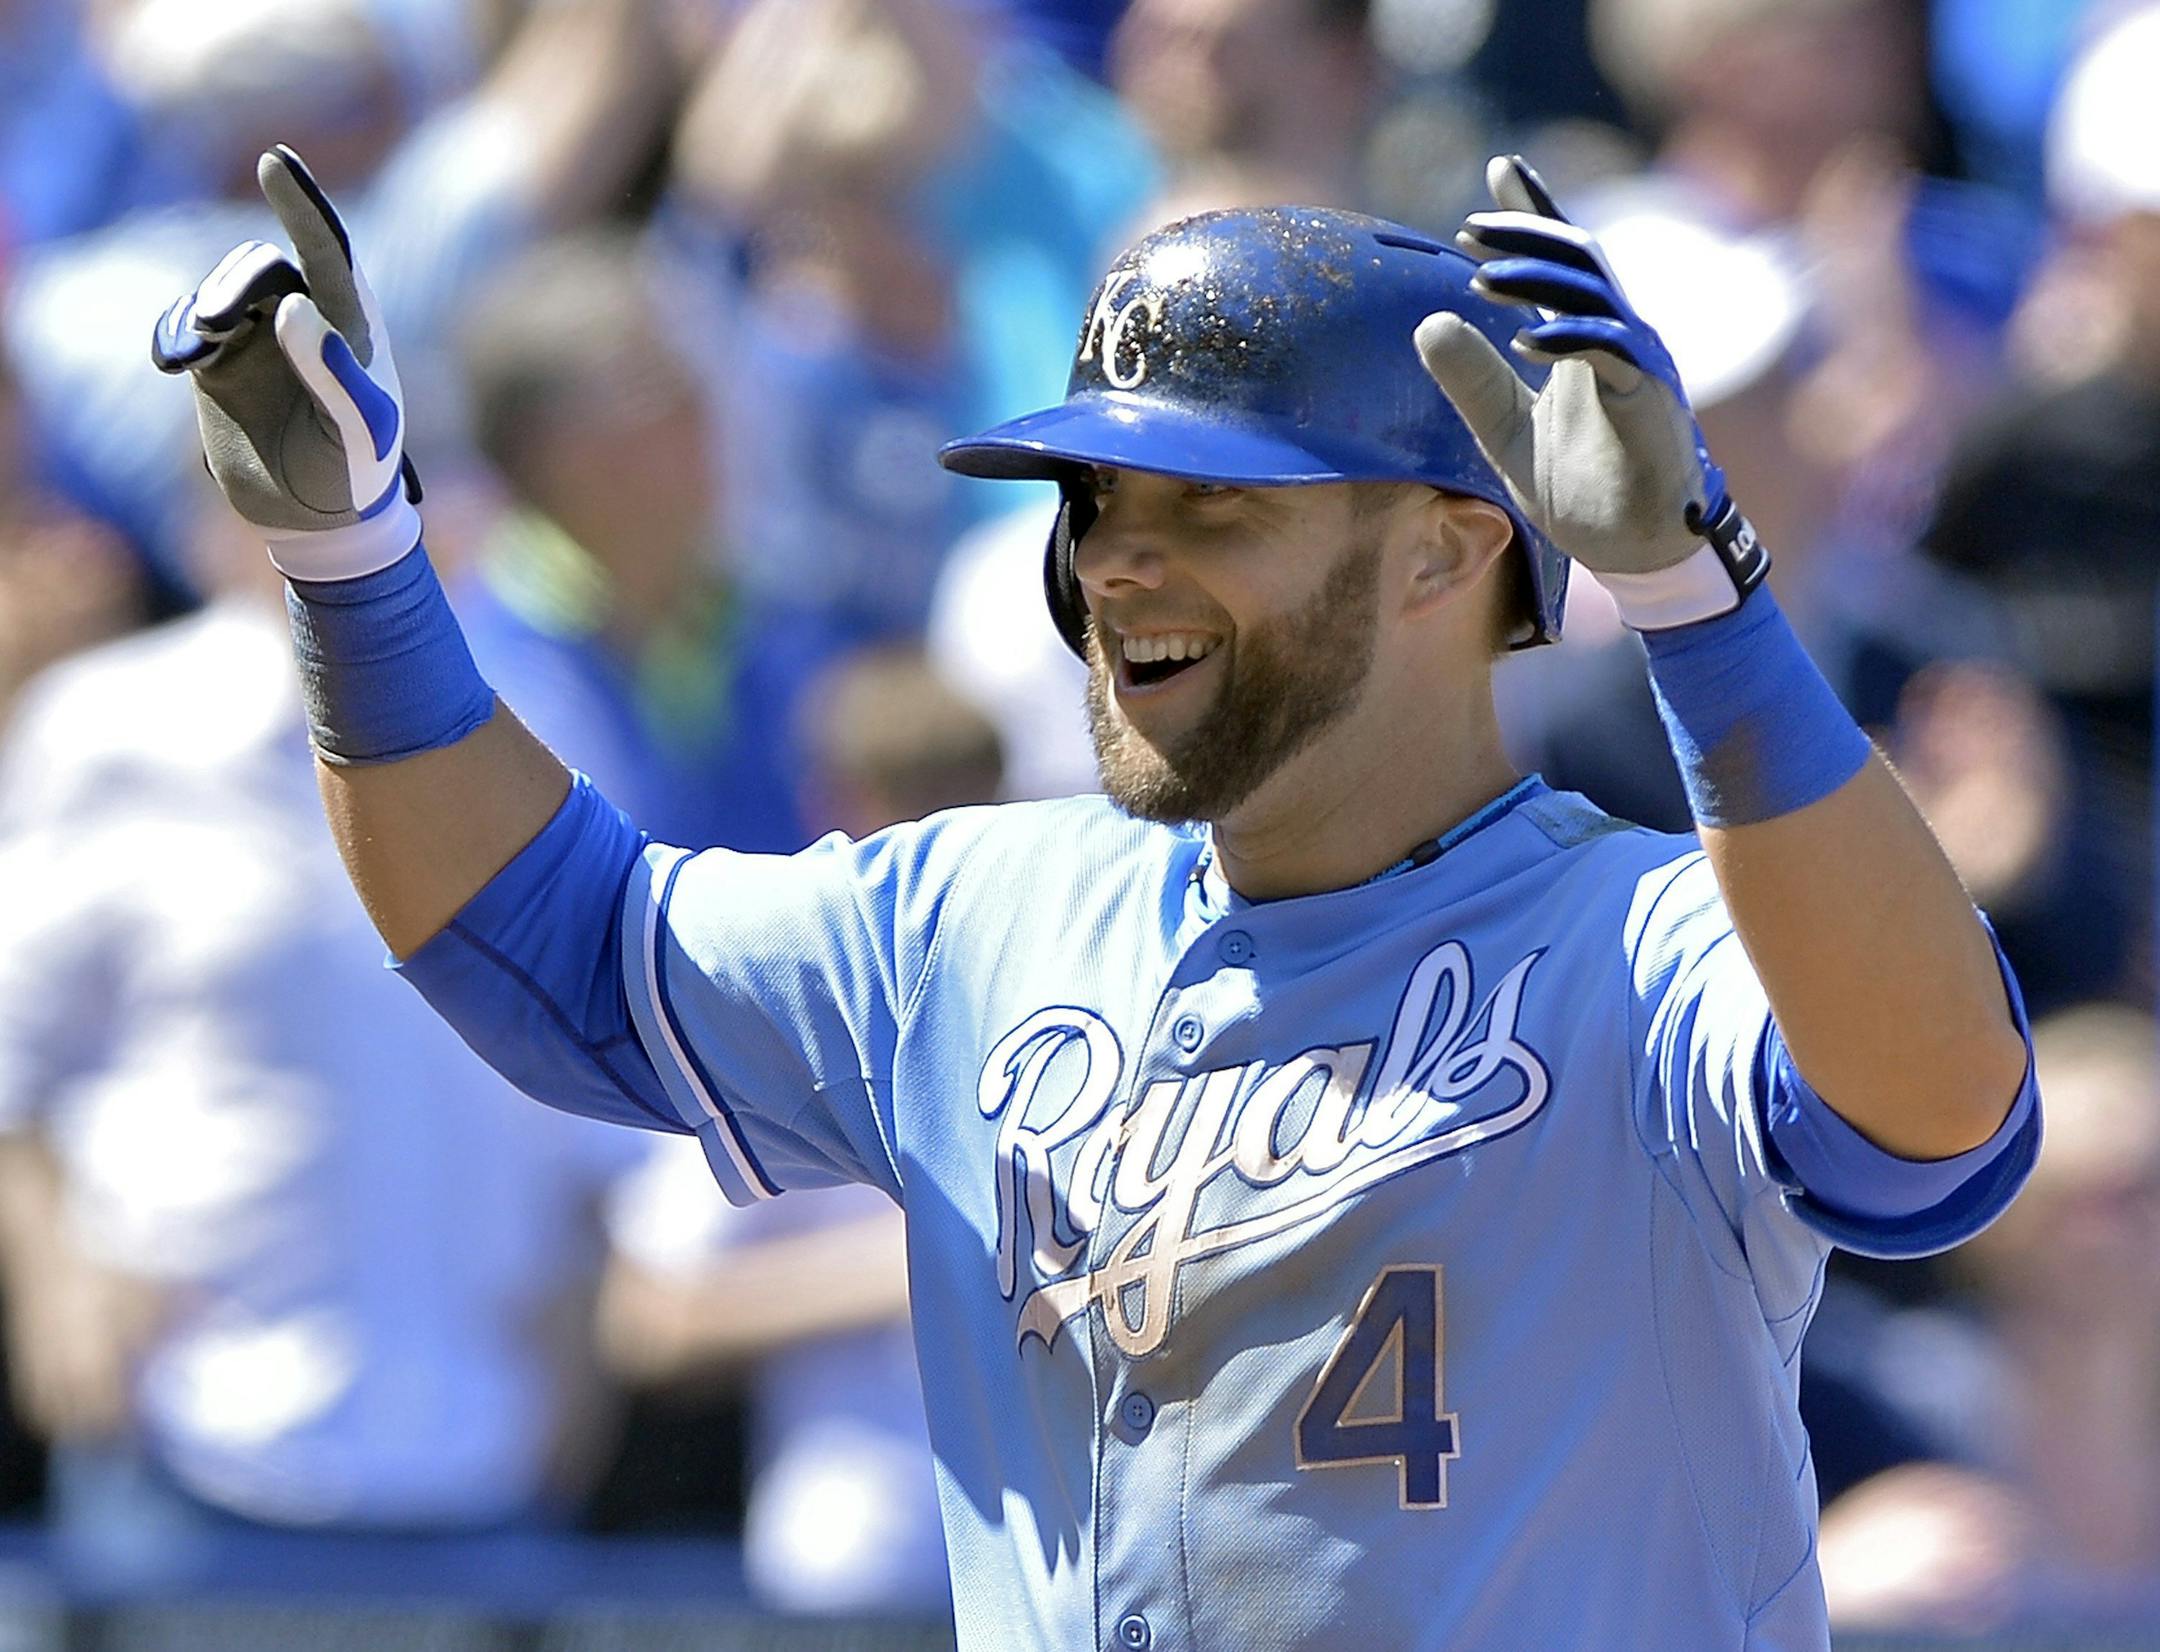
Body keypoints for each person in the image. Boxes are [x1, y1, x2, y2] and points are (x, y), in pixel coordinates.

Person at [153, 146, 2038, 1648]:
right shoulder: (972, 917)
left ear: (1452, 554)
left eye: (1212, 508)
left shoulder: (1642, 941)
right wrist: (356, 561)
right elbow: (540, 944)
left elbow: (1939, 1119)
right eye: (1094, 503)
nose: (1118, 564)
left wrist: (1708, 613)